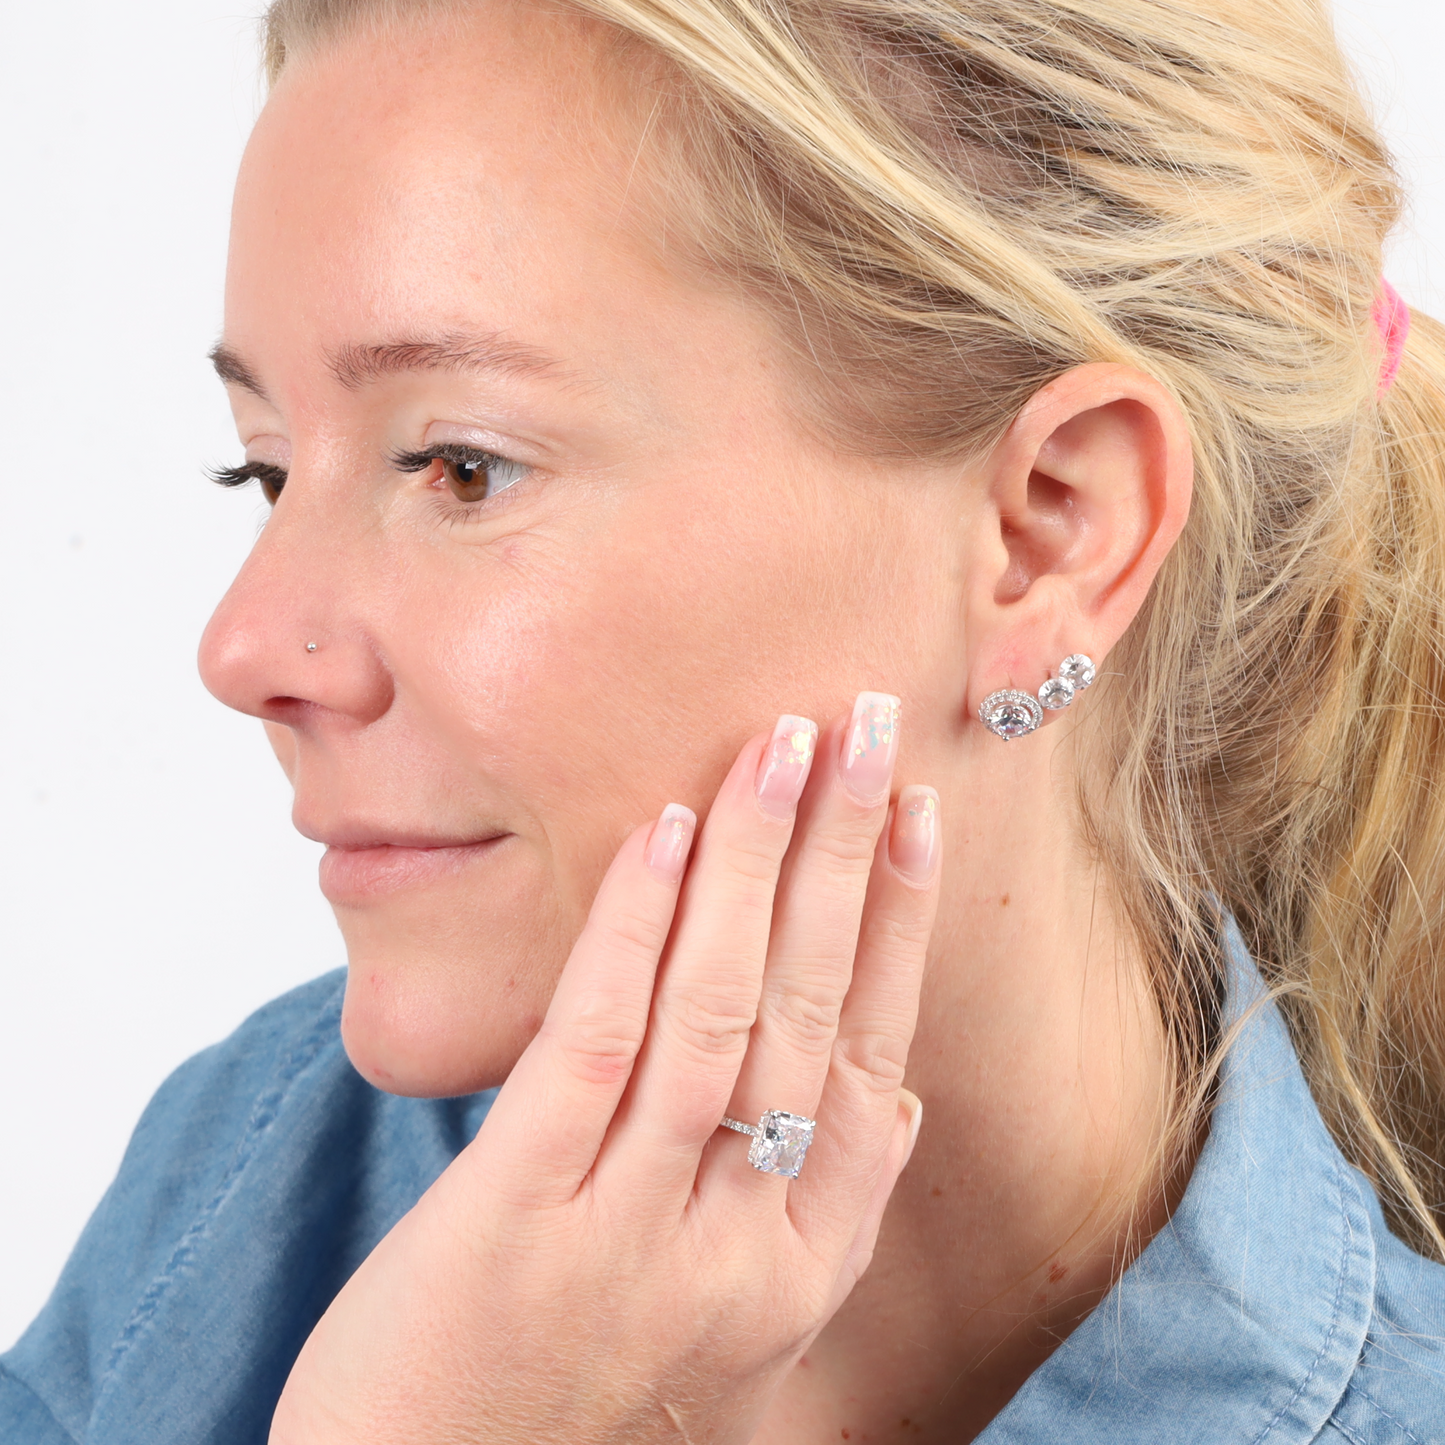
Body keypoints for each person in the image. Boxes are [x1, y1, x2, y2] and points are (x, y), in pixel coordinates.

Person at [5, 0, 1445, 1439]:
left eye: (461, 467)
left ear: (1052, 533)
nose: (244, 648)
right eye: (264, 470)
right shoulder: (245, 1181)